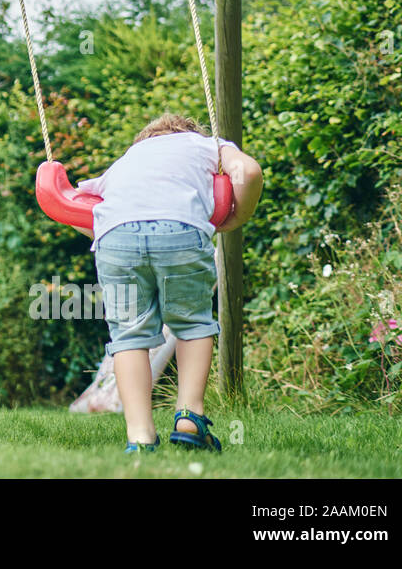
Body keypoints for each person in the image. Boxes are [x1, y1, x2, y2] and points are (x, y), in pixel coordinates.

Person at [73, 113, 263, 453]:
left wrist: (112, 236)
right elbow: (248, 172)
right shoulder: (210, 146)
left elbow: (74, 206)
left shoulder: (126, 161)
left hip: (116, 237)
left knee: (128, 335)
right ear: (191, 132)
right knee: (192, 323)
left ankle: (140, 437)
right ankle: (190, 418)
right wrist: (238, 218)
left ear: (145, 140)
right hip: (181, 229)